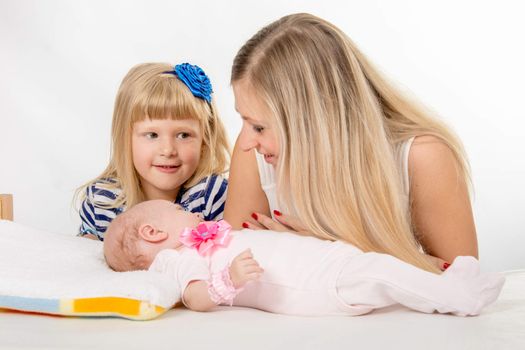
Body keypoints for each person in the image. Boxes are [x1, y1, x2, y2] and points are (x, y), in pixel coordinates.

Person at [224, 13, 478, 273]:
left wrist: (324, 249)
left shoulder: (422, 158)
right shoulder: (255, 158)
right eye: (243, 120)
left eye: (259, 127)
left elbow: (463, 284)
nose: (245, 142)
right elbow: (229, 274)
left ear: (314, 120)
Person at [103, 199, 504, 317]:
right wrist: (229, 279)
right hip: (313, 283)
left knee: (380, 265)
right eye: (177, 212)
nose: (190, 213)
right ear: (153, 233)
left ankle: (444, 284)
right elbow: (195, 297)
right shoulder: (175, 258)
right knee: (380, 273)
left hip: (319, 260)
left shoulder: (195, 240)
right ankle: (457, 298)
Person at [76, 62, 230, 240]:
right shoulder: (103, 201)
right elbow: (87, 261)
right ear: (126, 138)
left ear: (204, 140)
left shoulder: (209, 195)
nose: (168, 150)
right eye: (152, 135)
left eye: (183, 135)